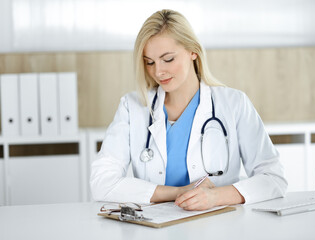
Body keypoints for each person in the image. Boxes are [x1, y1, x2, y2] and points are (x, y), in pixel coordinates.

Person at [90, 9, 287, 211]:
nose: (158, 71)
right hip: (156, 228)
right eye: (149, 62)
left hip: (218, 227)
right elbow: (102, 182)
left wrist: (215, 196)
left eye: (168, 59)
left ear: (193, 51)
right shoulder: (132, 107)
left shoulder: (234, 103)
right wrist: (178, 192)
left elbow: (274, 178)